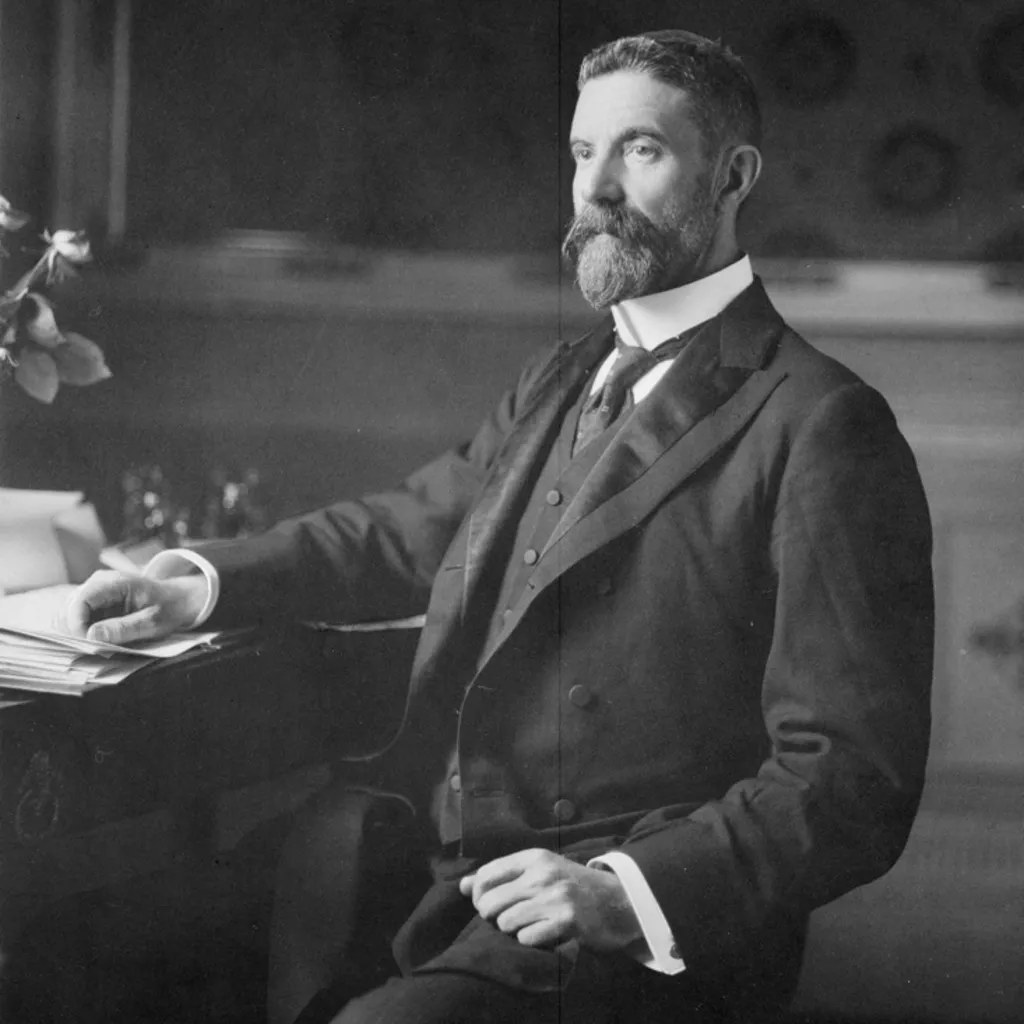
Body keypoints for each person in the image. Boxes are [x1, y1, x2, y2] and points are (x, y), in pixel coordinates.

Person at [65, 29, 934, 1024]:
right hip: (441, 881)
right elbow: (409, 528)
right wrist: (200, 581)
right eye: (580, 154)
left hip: (618, 936)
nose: (594, 190)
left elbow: (851, 777)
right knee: (101, 951)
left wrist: (625, 890)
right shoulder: (563, 377)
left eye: (639, 150)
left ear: (733, 175)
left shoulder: (820, 421)